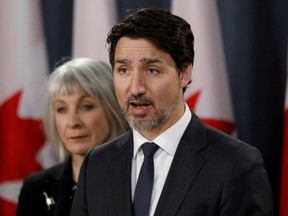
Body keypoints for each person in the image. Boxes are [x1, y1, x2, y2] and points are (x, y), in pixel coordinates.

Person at [70, 8, 274, 216]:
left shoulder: (235, 163)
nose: (135, 88)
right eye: (124, 70)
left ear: (184, 74)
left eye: (152, 70)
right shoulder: (97, 163)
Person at [16, 58, 128, 216]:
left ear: (113, 109)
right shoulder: (36, 188)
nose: (72, 122)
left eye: (86, 106)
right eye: (62, 109)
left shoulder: (141, 180)